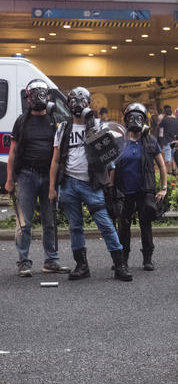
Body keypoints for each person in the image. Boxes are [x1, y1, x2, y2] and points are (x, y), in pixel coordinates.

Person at [48, 87, 128, 281]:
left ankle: (120, 266)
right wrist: (52, 188)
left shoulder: (98, 126)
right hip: (68, 184)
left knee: (106, 225)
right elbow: (56, 160)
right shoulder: (63, 128)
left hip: (92, 185)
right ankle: (82, 266)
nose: (77, 105)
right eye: (73, 101)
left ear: (88, 103)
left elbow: (111, 156)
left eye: (82, 101)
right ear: (68, 104)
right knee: (75, 227)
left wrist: (110, 184)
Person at [5, 80, 69, 277]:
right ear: (28, 97)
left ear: (48, 96)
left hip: (50, 177)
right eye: (34, 93)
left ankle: (51, 261)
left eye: (41, 93)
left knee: (50, 221)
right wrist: (9, 179)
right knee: (24, 222)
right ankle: (23, 262)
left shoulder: (56, 120)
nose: (38, 97)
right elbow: (13, 152)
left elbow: (62, 151)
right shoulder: (21, 122)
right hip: (26, 176)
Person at [111, 103, 168, 272]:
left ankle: (147, 259)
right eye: (131, 117)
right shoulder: (119, 142)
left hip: (144, 190)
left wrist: (164, 188)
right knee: (123, 226)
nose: (134, 121)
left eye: (139, 117)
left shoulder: (150, 141)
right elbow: (112, 167)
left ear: (144, 121)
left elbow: (162, 166)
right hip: (124, 191)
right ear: (126, 120)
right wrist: (110, 188)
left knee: (146, 225)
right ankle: (123, 259)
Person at [158, 105, 178, 175]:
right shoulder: (176, 120)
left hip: (167, 141)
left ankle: (169, 171)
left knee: (168, 158)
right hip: (175, 141)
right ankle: (174, 170)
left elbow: (159, 127)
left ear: (165, 113)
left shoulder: (164, 121)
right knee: (173, 157)